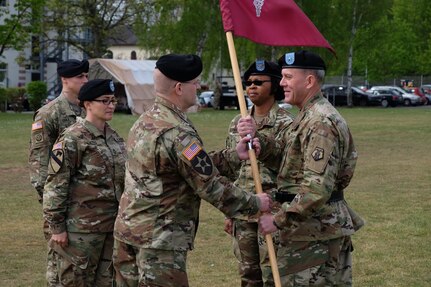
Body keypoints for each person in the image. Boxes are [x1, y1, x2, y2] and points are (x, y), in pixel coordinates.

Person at [112, 53, 272, 287]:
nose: (198, 87)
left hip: (129, 233)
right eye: (194, 83)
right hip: (159, 241)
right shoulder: (177, 132)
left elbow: (185, 168)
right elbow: (210, 185)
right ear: (179, 88)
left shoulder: (145, 121)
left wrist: (233, 156)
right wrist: (255, 203)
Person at [239, 50, 365, 286]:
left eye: (287, 77)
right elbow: (291, 163)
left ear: (309, 81)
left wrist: (278, 220)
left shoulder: (320, 122)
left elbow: (316, 191)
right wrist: (261, 146)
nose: (281, 83)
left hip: (313, 234)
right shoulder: (306, 115)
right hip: (308, 230)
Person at [43, 79, 126, 286]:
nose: (111, 105)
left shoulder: (114, 138)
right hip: (80, 231)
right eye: (105, 101)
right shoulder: (72, 138)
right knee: (74, 281)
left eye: (113, 100)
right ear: (87, 104)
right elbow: (55, 185)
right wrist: (57, 227)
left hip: (110, 227)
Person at [223, 60, 293, 287]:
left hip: (271, 212)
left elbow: (288, 164)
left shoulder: (286, 124)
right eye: (248, 82)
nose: (251, 87)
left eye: (258, 82)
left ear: (274, 86)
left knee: (275, 274)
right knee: (248, 276)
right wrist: (229, 210)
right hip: (243, 211)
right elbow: (232, 167)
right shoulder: (238, 122)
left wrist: (260, 139)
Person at [28, 59, 89, 286]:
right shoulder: (49, 113)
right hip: (61, 202)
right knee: (60, 264)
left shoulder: (88, 109)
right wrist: (54, 211)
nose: (85, 80)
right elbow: (40, 165)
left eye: (86, 76)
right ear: (65, 79)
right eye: (80, 77)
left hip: (86, 204)